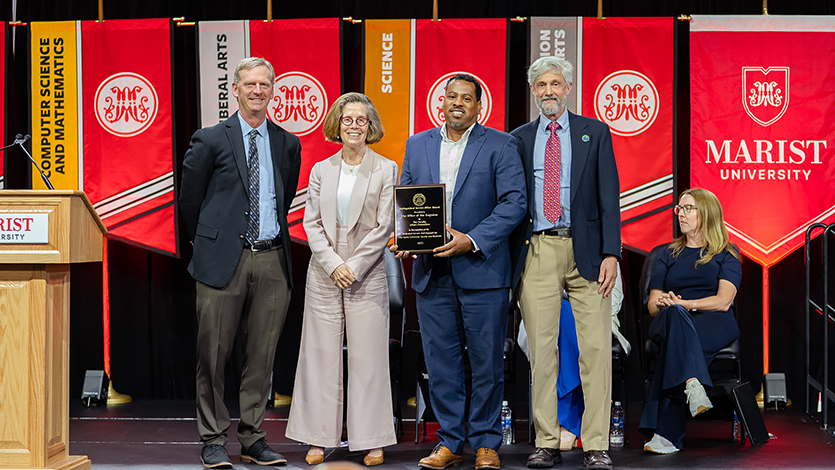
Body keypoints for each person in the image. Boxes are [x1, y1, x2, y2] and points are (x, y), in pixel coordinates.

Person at [392, 74, 527, 470]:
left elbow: (514, 203)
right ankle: (449, 441)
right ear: (441, 102)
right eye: (451, 96)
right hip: (432, 272)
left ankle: (486, 443)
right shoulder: (418, 145)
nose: (457, 103)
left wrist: (472, 239)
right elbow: (408, 196)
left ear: (478, 106)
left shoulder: (502, 144)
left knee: (486, 361)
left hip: (481, 268)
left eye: (466, 98)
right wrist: (405, 237)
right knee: (441, 362)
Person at [180, 57, 301, 468]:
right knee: (212, 355)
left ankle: (252, 437)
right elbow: (189, 201)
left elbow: (282, 199)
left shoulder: (287, 143)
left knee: (261, 356)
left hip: (271, 261)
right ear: (235, 89)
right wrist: (203, 246)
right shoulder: (210, 138)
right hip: (221, 262)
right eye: (249, 84)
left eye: (264, 84)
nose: (257, 91)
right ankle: (214, 439)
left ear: (273, 90)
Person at [509, 56, 621, 470]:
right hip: (537, 249)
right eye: (541, 85)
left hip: (589, 251)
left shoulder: (595, 132)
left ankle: (596, 444)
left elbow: (609, 196)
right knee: (541, 352)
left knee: (595, 350)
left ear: (568, 88)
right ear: (534, 91)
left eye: (555, 84)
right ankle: (547, 441)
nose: (549, 91)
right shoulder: (517, 138)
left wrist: (612, 253)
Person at [286, 93, 397, 467]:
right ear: (338, 124)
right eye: (347, 119)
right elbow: (311, 223)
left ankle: (372, 439)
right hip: (324, 270)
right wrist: (334, 263)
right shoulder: (321, 169)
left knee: (369, 358)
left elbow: (385, 226)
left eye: (361, 120)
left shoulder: (386, 168)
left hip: (366, 271)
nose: (354, 126)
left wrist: (356, 264)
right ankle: (318, 438)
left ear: (370, 126)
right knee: (319, 355)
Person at [639, 188, 742, 454]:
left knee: (677, 337)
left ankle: (667, 435)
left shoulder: (726, 253)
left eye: (688, 209)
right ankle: (693, 384)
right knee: (674, 316)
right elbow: (652, 305)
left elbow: (723, 301)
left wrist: (685, 304)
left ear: (706, 213)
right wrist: (665, 304)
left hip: (713, 321)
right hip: (669, 319)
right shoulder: (665, 254)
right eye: (679, 208)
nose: (681, 214)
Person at [517, 264, 630, 451]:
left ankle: (564, 422)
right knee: (561, 314)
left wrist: (571, 297)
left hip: (592, 323)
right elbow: (526, 299)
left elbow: (613, 301)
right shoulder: (540, 246)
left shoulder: (602, 252)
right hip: (545, 323)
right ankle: (575, 414)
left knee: (568, 314)